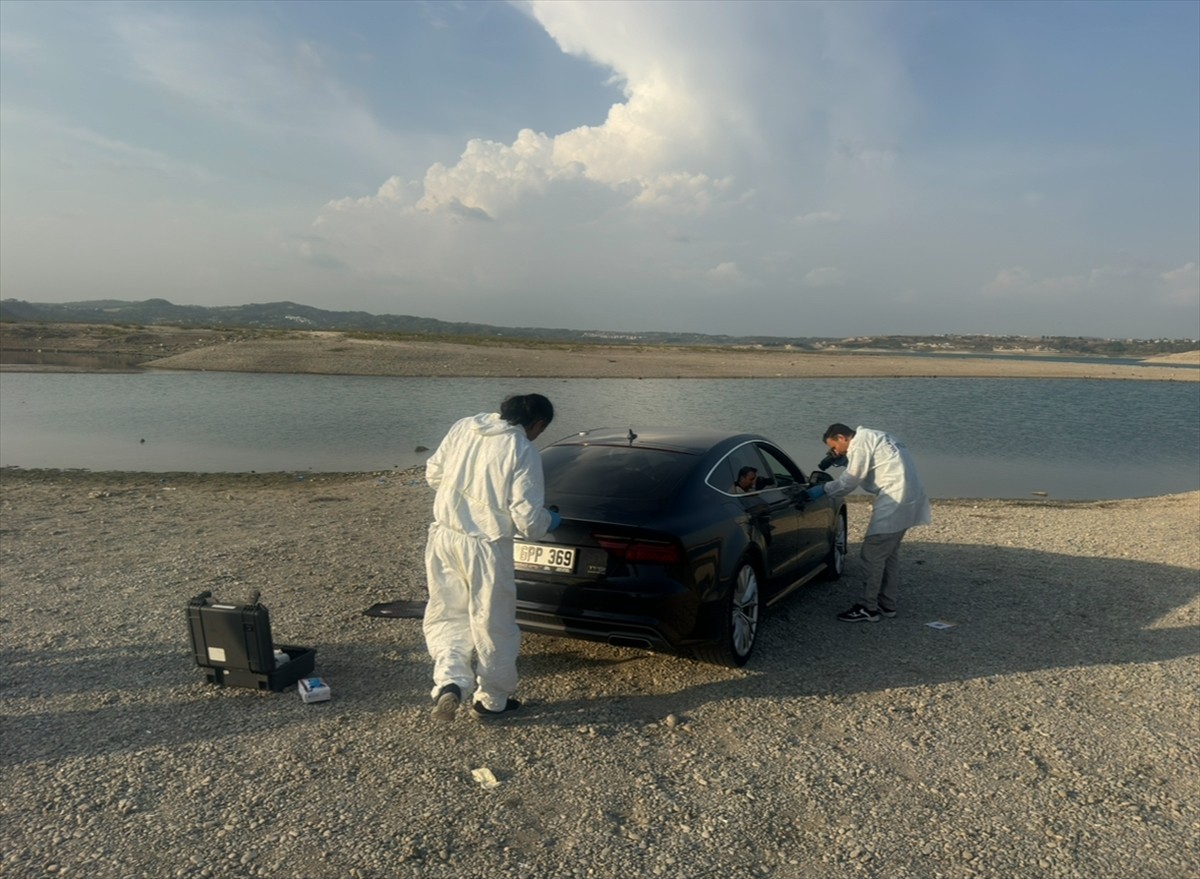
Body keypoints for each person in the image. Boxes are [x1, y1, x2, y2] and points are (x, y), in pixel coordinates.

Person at [422, 393, 561, 721]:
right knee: (492, 623)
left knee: (447, 614)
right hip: (486, 547)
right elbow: (527, 521)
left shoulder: (465, 426)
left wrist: (467, 501)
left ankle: (450, 683)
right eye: (541, 430)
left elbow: (433, 475)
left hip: (444, 537)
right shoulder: (522, 449)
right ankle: (492, 701)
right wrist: (551, 520)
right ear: (537, 424)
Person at [805, 423, 931, 623]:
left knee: (872, 553)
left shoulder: (861, 443)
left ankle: (868, 607)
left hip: (895, 500)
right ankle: (887, 605)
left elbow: (849, 482)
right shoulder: (880, 435)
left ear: (841, 437)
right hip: (910, 498)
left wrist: (823, 489)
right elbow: (875, 469)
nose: (835, 452)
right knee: (888, 555)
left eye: (834, 447)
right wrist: (848, 460)